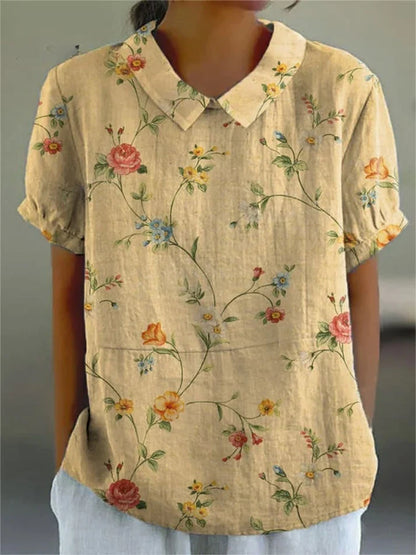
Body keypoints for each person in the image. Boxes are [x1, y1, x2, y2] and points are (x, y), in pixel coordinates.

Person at [16, 0, 409, 553]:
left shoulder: (342, 88)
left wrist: (350, 454)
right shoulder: (81, 91)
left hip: (306, 488)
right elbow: (69, 297)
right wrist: (71, 481)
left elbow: (357, 291)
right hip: (118, 491)